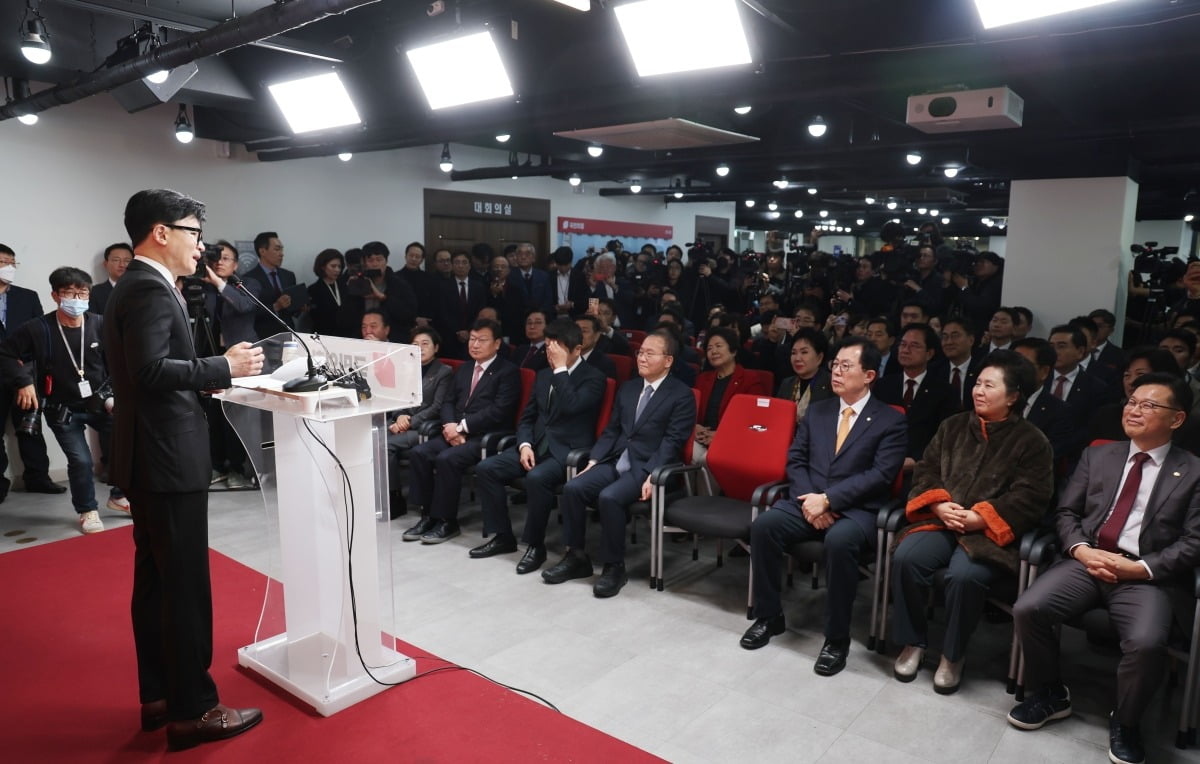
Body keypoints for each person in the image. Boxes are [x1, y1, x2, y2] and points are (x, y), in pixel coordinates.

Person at [105, 189, 264, 750]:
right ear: (162, 233)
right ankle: (195, 710)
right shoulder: (148, 288)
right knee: (186, 589)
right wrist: (224, 363)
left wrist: (203, 375)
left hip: (147, 453)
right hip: (168, 457)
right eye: (195, 233)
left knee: (154, 582)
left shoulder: (136, 284)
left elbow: (145, 370)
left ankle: (158, 695)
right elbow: (150, 370)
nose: (202, 245)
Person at [1008, 373, 1200, 764]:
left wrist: (1142, 569)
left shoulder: (1194, 472)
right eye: (1132, 401)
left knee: (1147, 643)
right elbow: (1066, 511)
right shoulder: (1099, 455)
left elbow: (1194, 543)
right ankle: (1049, 693)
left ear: (1176, 420)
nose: (1134, 410)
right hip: (1088, 560)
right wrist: (1080, 549)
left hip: (1147, 577)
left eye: (1149, 405)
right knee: (1030, 608)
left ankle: (1126, 721)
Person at [741, 337, 907, 677]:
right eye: (836, 364)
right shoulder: (819, 410)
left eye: (847, 366)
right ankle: (769, 616)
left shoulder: (890, 420)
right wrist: (809, 501)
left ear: (870, 375)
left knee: (840, 541)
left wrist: (829, 501)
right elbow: (796, 460)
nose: (837, 371)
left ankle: (836, 638)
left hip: (858, 510)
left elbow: (880, 476)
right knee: (764, 526)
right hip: (808, 500)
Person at [890, 350, 1054, 694]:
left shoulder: (1032, 441)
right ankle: (913, 642)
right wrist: (938, 505)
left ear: (1013, 396)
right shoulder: (952, 426)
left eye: (989, 385)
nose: (978, 390)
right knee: (907, 557)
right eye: (977, 383)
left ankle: (953, 654)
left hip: (988, 534)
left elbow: (1031, 497)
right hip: (942, 519)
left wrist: (982, 517)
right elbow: (926, 470)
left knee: (964, 576)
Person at [546, 329, 696, 598]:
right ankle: (576, 557)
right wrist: (593, 459)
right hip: (616, 459)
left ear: (669, 360)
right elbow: (612, 430)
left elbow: (672, 442)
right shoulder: (629, 388)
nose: (642, 357)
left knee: (609, 498)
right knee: (573, 488)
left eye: (650, 353)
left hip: (648, 466)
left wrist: (653, 473)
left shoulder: (681, 395)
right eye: (640, 352)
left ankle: (614, 567)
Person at [471, 319, 607, 574]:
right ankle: (503, 536)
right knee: (487, 468)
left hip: (567, 452)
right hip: (535, 446)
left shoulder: (595, 378)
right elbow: (528, 417)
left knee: (536, 478)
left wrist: (560, 371)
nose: (550, 354)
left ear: (577, 350)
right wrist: (524, 444)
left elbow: (572, 405)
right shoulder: (543, 376)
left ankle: (535, 546)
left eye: (556, 349)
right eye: (547, 348)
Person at [0, 266, 129, 533]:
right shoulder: (37, 328)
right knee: (81, 460)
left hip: (101, 403)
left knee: (127, 446)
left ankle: (119, 496)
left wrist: (113, 397)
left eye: (82, 293)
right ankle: (88, 510)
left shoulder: (101, 324)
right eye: (69, 293)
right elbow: (6, 354)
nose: (76, 299)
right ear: (55, 295)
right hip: (62, 408)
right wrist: (23, 381)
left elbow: (118, 364)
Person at [401, 318, 520, 544]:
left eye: (482, 340)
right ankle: (427, 515)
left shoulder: (508, 372)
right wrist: (449, 426)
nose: (474, 344)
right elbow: (447, 402)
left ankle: (447, 521)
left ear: (496, 344)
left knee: (447, 459)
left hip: (484, 437)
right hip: (453, 431)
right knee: (420, 452)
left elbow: (499, 411)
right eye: (472, 339)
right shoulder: (465, 368)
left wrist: (462, 427)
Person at [0, 244, 64, 499]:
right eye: (3, 261)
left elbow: (38, 334)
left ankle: (38, 477)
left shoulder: (27, 296)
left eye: (12, 263)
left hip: (23, 373)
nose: (9, 267)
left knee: (30, 427)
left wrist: (25, 369)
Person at [199, 240, 258, 490]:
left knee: (235, 416)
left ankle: (238, 467)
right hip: (212, 357)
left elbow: (245, 305)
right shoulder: (204, 288)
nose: (220, 262)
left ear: (236, 264)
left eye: (226, 258)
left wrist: (220, 284)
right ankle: (218, 465)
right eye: (216, 258)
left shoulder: (247, 284)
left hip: (243, 357)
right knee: (213, 414)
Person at [386, 327, 453, 519]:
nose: (420, 348)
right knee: (373, 437)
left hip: (426, 428)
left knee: (385, 446)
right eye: (415, 344)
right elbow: (398, 398)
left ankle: (395, 498)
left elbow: (437, 407)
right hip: (402, 422)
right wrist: (399, 415)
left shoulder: (444, 372)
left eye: (425, 344)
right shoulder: (407, 368)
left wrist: (410, 422)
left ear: (436, 347)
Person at [875, 323, 956, 480]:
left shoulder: (944, 391)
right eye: (903, 345)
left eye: (914, 346)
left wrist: (917, 459)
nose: (905, 350)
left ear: (929, 353)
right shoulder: (883, 385)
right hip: (883, 465)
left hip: (925, 470)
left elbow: (947, 437)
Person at [692, 327, 772, 468]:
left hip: (734, 440)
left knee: (708, 459)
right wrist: (695, 427)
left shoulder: (750, 380)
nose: (713, 351)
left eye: (718, 346)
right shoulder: (703, 379)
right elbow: (691, 410)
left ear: (733, 351)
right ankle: (691, 491)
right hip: (703, 439)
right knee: (688, 452)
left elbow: (755, 422)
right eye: (709, 348)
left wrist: (721, 436)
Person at [338, 241, 417, 343]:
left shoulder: (399, 284)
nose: (375, 264)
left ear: (386, 261)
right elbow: (343, 320)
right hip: (361, 340)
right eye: (370, 260)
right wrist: (352, 293)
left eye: (379, 259)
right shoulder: (357, 282)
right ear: (364, 263)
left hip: (393, 341)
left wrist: (383, 298)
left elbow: (409, 315)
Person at [241, 231, 299, 341]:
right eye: (277, 249)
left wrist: (299, 306)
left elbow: (292, 310)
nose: (281, 253)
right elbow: (248, 313)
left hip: (289, 335)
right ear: (262, 251)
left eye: (282, 249)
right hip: (263, 337)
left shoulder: (289, 275)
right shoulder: (248, 279)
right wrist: (275, 307)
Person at [437, 251, 488, 359]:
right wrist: (458, 332)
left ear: (469, 266)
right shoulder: (443, 287)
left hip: (474, 336)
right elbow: (442, 313)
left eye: (464, 262)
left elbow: (481, 312)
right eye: (457, 262)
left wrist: (469, 331)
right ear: (452, 265)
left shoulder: (478, 287)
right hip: (450, 337)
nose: (460, 265)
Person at [776, 328, 833, 422]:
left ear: (819, 357)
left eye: (804, 352)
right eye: (793, 353)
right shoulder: (787, 383)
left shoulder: (831, 384)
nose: (797, 358)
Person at [306, 248, 346, 337]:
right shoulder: (313, 289)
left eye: (339, 266)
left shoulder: (344, 286)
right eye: (333, 266)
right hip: (323, 335)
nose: (337, 270)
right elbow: (315, 317)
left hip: (345, 334)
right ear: (323, 267)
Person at [89, 242, 133, 315]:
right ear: (105, 264)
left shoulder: (142, 290)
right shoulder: (94, 292)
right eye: (116, 260)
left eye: (127, 261)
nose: (122, 265)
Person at [574, 313, 618, 380]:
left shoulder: (605, 364)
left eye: (584, 331)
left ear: (596, 336)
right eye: (576, 330)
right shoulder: (563, 357)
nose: (578, 335)